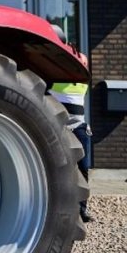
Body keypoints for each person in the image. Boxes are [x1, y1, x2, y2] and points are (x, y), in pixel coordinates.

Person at [50, 77, 93, 223]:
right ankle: (57, 206)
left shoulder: (83, 82)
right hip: (60, 127)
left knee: (83, 168)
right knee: (58, 167)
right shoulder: (53, 78)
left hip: (79, 128)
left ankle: (82, 210)